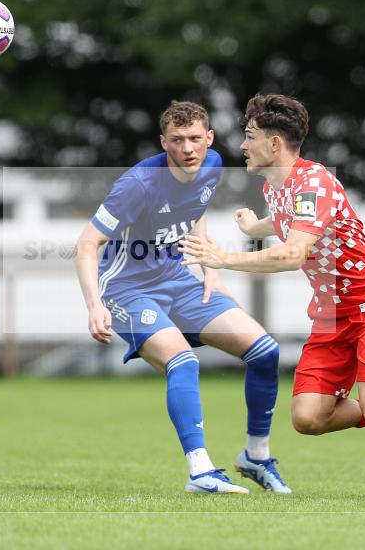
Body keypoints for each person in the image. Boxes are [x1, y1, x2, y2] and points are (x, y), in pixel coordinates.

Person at [179, 93, 365, 502]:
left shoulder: (313, 181)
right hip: (331, 315)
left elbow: (295, 253)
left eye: (250, 137)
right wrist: (256, 228)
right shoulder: (278, 187)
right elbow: (290, 220)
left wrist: (223, 257)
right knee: (308, 418)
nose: (243, 146)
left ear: (275, 144)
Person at [75, 101, 291, 494]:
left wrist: (211, 271)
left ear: (209, 138)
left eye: (195, 138)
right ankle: (201, 472)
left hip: (179, 279)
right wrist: (94, 305)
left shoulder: (212, 164)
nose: (188, 148)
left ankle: (256, 457)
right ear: (164, 142)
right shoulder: (137, 185)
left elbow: (195, 211)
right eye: (177, 140)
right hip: (128, 289)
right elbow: (87, 244)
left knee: (266, 351)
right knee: (183, 361)